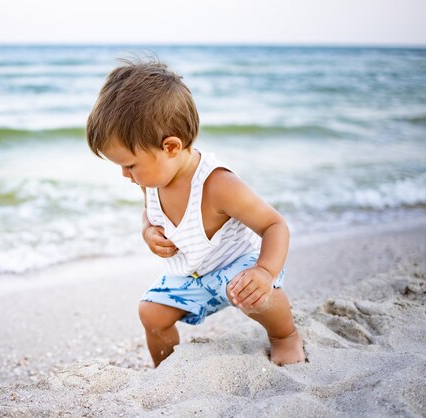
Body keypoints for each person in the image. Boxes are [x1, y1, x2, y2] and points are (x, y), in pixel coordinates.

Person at [86, 58, 306, 368]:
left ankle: (285, 336)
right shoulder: (151, 178)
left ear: (171, 147)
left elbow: (274, 225)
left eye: (130, 164)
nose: (125, 174)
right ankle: (168, 369)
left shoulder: (218, 184)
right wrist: (148, 231)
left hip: (238, 267)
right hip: (193, 274)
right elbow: (149, 213)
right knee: (151, 313)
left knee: (254, 295)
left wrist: (265, 272)